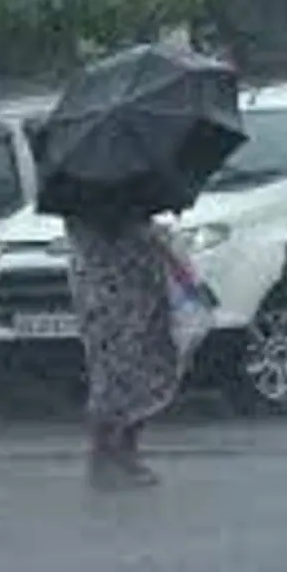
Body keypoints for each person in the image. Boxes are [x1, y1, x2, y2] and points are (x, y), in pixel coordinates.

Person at [66, 207, 180, 490]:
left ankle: (110, 452)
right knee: (125, 374)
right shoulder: (112, 209)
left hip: (108, 303)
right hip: (123, 305)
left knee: (113, 374)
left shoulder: (77, 198)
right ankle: (117, 451)